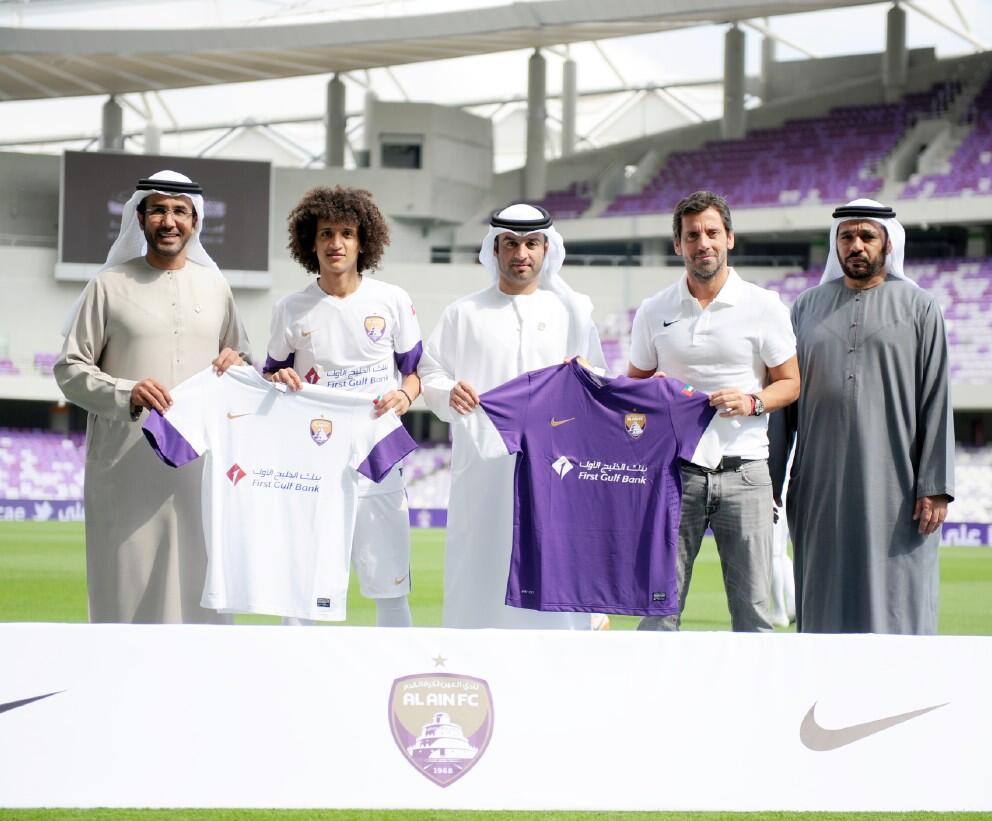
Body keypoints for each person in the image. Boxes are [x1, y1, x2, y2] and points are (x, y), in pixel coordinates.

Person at [54, 170, 249, 623]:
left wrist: (237, 365)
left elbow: (242, 360)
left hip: (199, 472)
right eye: (158, 210)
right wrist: (127, 391)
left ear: (195, 222)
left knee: (201, 594)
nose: (169, 221)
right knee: (126, 593)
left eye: (180, 211)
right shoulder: (108, 285)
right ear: (139, 219)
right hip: (126, 469)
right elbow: (69, 369)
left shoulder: (216, 287)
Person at [768, 199, 954, 634]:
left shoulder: (920, 308)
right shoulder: (805, 309)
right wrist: (769, 483)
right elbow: (783, 404)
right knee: (823, 596)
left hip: (898, 490)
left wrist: (935, 487)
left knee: (897, 600)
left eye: (867, 236)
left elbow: (937, 399)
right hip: (819, 486)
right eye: (847, 236)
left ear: (888, 244)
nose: (856, 245)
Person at [418, 203, 606, 629]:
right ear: (494, 249)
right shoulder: (463, 313)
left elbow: (599, 377)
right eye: (511, 244)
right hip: (484, 473)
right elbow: (431, 372)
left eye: (531, 243)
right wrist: (450, 391)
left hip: (556, 470)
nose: (521, 253)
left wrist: (583, 374)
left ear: (546, 249)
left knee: (554, 563)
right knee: (481, 566)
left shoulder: (571, 313)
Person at [627, 190, 799, 632]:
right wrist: (645, 392)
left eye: (711, 233)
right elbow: (633, 390)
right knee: (658, 613)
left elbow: (791, 383)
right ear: (677, 245)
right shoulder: (654, 310)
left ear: (729, 238)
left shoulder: (764, 306)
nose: (702, 243)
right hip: (674, 475)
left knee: (754, 616)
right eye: (692, 235)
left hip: (746, 474)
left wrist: (752, 401)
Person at [264, 186, 421, 627]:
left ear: (363, 241)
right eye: (326, 233)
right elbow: (271, 376)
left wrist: (406, 395)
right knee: (305, 590)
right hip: (315, 460)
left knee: (390, 589)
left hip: (378, 457)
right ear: (310, 242)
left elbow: (415, 372)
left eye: (347, 233)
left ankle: (397, 665)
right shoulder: (290, 309)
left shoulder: (391, 300)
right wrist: (278, 379)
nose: (336, 243)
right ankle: (296, 668)